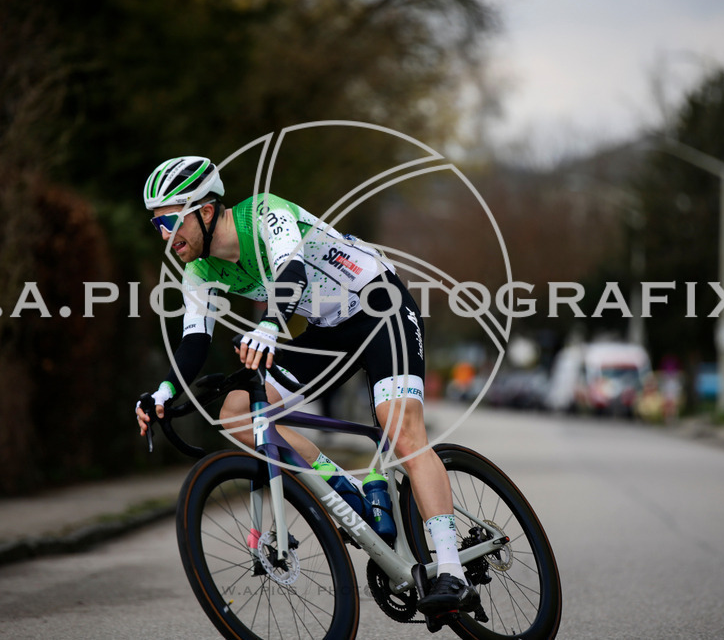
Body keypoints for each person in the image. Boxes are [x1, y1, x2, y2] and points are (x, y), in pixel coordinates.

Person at [134, 156, 478, 615]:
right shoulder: (200, 270)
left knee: (399, 427)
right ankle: (344, 490)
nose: (164, 236)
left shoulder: (263, 213)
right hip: (324, 330)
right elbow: (194, 341)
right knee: (236, 413)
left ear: (206, 210)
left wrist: (270, 326)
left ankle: (452, 570)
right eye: (156, 224)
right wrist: (163, 393)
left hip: (379, 307)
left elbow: (292, 270)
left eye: (170, 220)